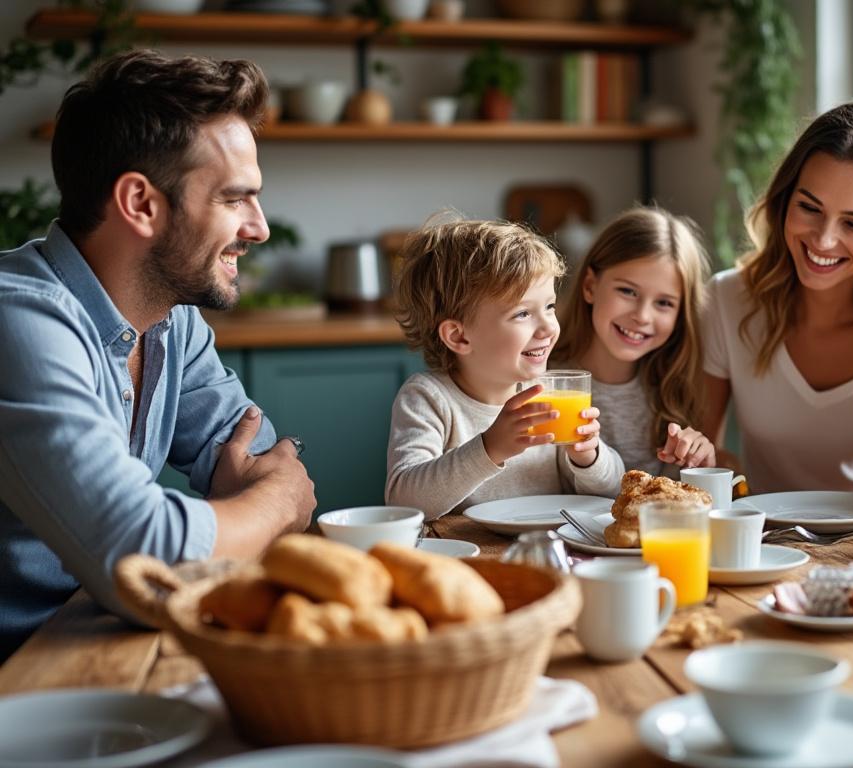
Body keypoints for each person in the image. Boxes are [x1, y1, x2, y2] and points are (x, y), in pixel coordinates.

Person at [0, 50, 316, 659]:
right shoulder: (19, 322)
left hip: (104, 651)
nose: (260, 227)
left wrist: (255, 501)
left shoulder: (174, 321)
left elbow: (263, 458)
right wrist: (266, 505)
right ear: (140, 204)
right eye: (233, 199)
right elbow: (139, 556)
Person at [700, 100, 853, 493]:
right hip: (764, 541)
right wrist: (719, 469)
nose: (824, 240)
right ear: (785, 200)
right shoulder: (727, 300)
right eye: (809, 208)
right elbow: (702, 453)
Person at [385, 217, 624, 518]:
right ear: (459, 336)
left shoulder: (547, 393)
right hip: (465, 556)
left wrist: (588, 457)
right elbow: (403, 503)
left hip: (549, 553)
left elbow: (613, 491)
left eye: (549, 307)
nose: (548, 328)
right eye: (522, 313)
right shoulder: (428, 398)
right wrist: (489, 448)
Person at [550, 206, 715, 476]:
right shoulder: (541, 380)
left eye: (664, 303)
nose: (642, 316)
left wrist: (699, 469)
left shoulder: (673, 393)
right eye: (627, 291)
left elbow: (670, 502)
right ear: (590, 286)